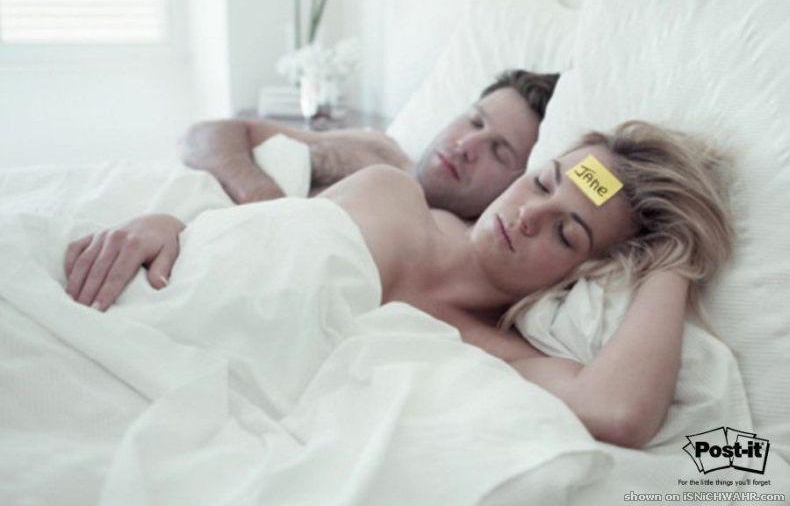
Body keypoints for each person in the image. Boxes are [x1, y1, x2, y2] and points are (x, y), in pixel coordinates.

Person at [63, 121, 733, 449]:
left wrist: (676, 255)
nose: (529, 215)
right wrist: (173, 221)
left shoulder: (496, 351)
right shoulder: (391, 187)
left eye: (566, 233)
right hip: (127, 299)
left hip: (182, 406)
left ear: (582, 276)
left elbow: (617, 413)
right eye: (543, 182)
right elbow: (256, 231)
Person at [181, 69, 559, 219]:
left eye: (499, 151)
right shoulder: (376, 148)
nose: (467, 145)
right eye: (475, 121)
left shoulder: (448, 246)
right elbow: (206, 135)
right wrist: (258, 195)